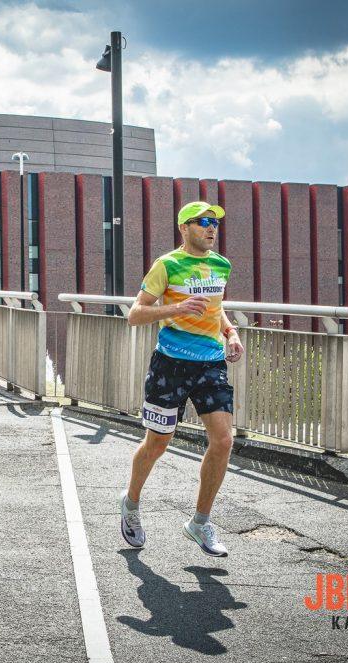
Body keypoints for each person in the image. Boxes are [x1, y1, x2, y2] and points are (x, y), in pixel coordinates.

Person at [118, 201, 245, 557]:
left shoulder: (221, 265)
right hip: (170, 366)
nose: (211, 227)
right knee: (157, 444)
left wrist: (231, 333)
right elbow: (135, 314)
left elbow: (216, 309)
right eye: (202, 221)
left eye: (215, 222)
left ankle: (200, 522)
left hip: (211, 365)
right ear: (184, 227)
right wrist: (176, 307)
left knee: (223, 440)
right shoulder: (167, 264)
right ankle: (131, 503)